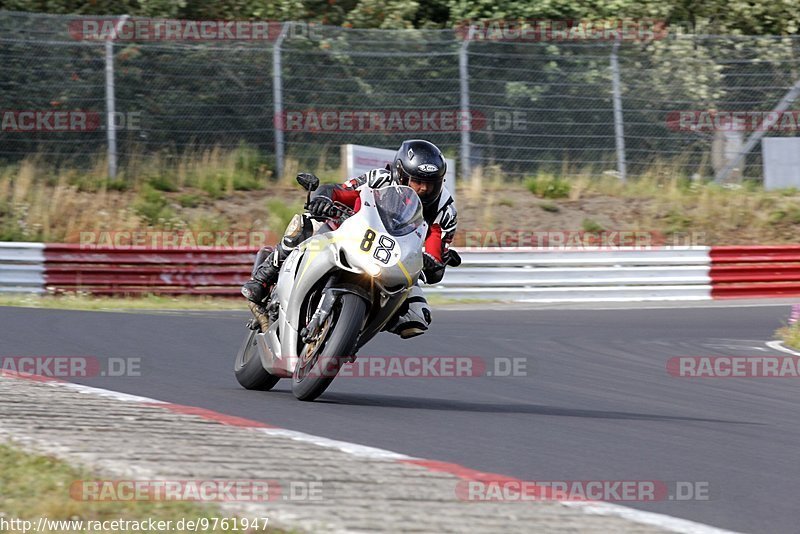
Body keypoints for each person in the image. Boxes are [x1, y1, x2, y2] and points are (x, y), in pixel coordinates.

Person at [242, 139, 458, 338]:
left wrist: (432, 263)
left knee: (417, 318)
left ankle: (354, 328)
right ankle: (263, 278)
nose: (424, 189)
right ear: (401, 174)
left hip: (395, 260)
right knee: (306, 222)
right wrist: (324, 199)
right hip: (357, 234)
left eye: (431, 183)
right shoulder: (380, 179)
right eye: (417, 181)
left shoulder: (445, 211)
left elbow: (436, 254)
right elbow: (340, 191)